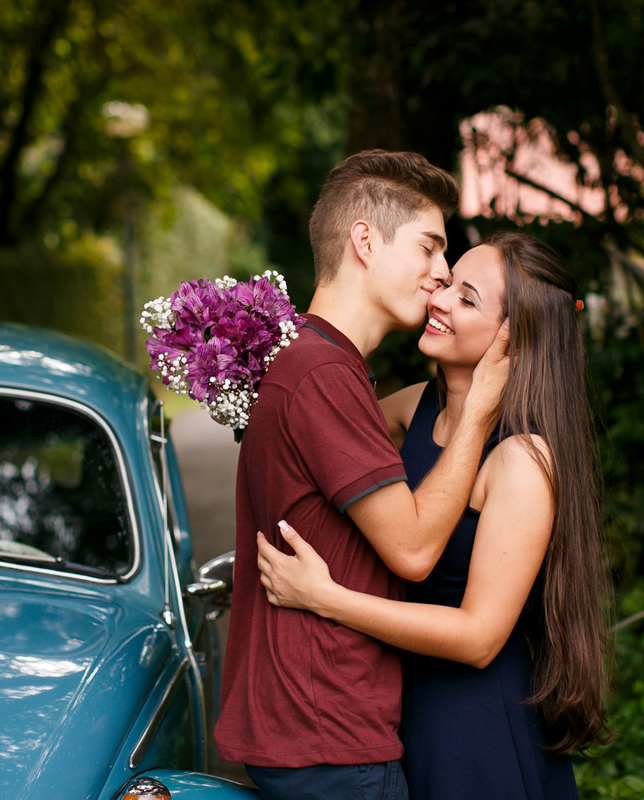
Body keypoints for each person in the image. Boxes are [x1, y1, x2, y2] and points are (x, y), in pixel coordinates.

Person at [255, 231, 613, 799]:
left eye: (466, 298)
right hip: (393, 704)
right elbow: (319, 436)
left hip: (470, 725)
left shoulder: (521, 457)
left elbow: (478, 637)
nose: (439, 299)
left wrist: (325, 598)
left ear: (512, 342)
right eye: (445, 284)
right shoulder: (416, 404)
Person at [213, 150, 511, 800]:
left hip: (311, 736)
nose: (440, 274)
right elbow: (412, 550)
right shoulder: (323, 374)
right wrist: (480, 413)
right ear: (365, 241)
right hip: (332, 742)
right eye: (430, 249)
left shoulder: (318, 366)